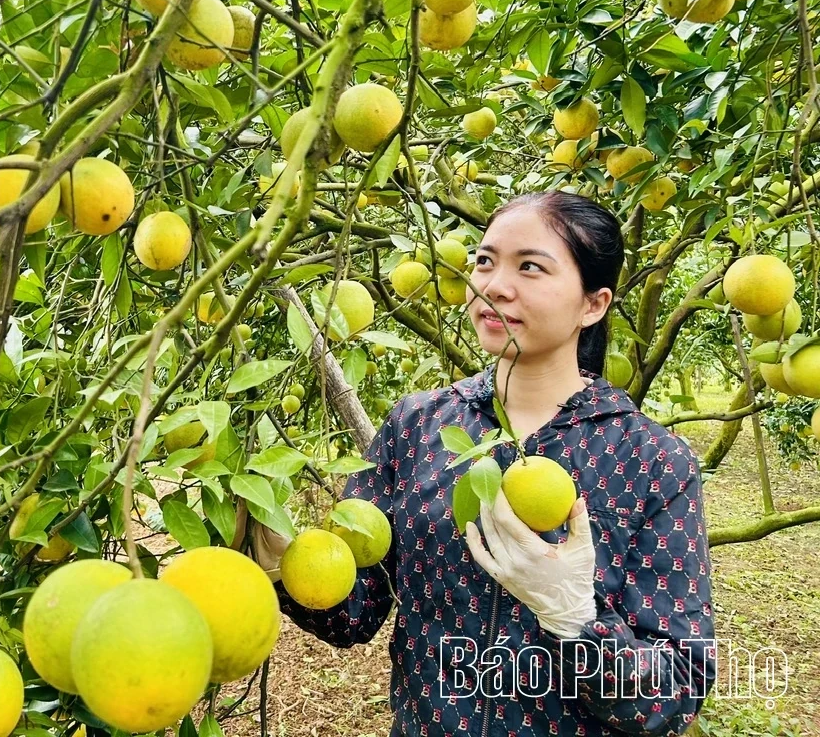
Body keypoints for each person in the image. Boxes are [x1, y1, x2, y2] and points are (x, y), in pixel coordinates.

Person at [254, 190, 717, 737]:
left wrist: (578, 624)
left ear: (593, 304)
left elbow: (677, 690)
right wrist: (283, 563)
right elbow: (356, 611)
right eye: (485, 261)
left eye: (530, 267)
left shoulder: (651, 460)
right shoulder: (417, 427)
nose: (494, 285)